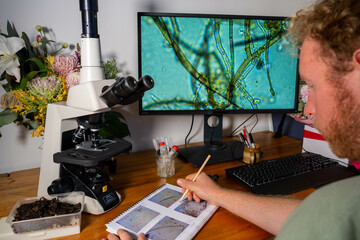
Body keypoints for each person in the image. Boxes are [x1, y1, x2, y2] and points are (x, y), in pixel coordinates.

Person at [103, 0, 360, 239]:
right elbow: (310, 218)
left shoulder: (343, 204)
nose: (309, 108)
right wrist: (218, 195)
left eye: (313, 86)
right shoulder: (342, 204)